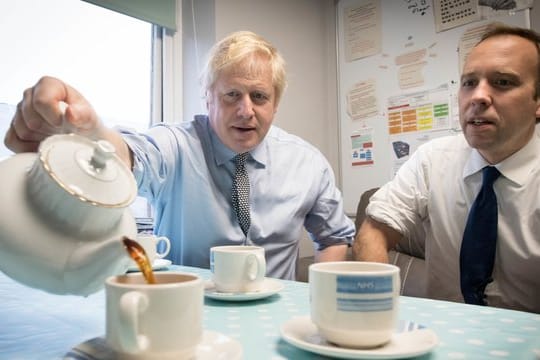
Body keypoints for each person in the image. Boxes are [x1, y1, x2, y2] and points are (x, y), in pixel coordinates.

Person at [5, 31, 354, 288]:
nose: (246, 110)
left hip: (277, 313)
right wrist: (90, 131)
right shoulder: (176, 145)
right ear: (208, 98)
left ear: (275, 104)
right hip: (184, 308)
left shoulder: (308, 164)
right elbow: (130, 155)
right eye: (232, 95)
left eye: (259, 96)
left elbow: (335, 237)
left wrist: (319, 297)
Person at [352, 24, 540, 314]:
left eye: (502, 82)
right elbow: (374, 231)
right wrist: (378, 313)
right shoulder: (433, 159)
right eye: (469, 83)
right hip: (444, 334)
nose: (478, 97)